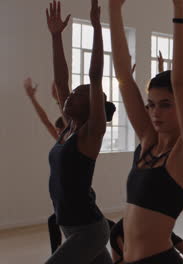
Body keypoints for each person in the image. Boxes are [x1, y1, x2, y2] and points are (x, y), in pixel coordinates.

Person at [109, 0, 183, 262]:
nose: (154, 113)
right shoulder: (148, 142)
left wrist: (179, 10)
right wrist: (114, 10)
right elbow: (124, 78)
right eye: (150, 105)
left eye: (165, 105)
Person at [45, 0, 115, 263]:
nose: (69, 96)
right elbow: (61, 79)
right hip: (70, 227)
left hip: (89, 231)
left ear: (92, 105)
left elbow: (95, 76)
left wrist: (97, 27)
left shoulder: (90, 134)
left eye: (79, 94)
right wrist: (56, 37)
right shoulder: (68, 129)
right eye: (71, 93)